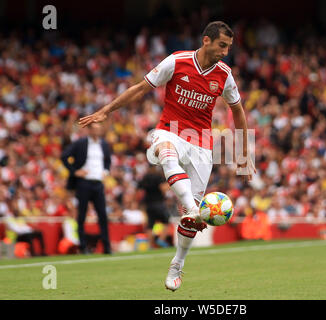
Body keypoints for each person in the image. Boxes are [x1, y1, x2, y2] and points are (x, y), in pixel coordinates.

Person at [79, 21, 255, 291]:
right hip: (169, 131)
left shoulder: (224, 74)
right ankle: (194, 209)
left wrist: (245, 153)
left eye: (229, 47)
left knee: (189, 220)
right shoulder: (177, 61)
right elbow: (140, 88)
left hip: (201, 143)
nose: (225, 51)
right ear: (206, 40)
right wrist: (107, 110)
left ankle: (177, 264)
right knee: (165, 152)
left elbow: (238, 111)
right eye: (222, 45)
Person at [60, 123, 112, 255]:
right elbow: (64, 156)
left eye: (98, 129)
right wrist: (75, 171)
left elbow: (107, 161)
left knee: (102, 215)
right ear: (88, 130)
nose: (97, 131)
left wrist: (105, 171)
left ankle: (106, 246)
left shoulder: (104, 144)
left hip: (98, 183)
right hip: (84, 183)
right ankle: (83, 246)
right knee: (81, 215)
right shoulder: (81, 143)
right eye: (94, 129)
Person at [138, 165, 172, 248]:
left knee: (150, 225)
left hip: (148, 204)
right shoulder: (158, 177)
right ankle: (161, 239)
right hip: (159, 203)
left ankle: (150, 244)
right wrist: (170, 185)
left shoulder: (145, 178)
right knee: (166, 222)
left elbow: (139, 190)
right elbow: (163, 188)